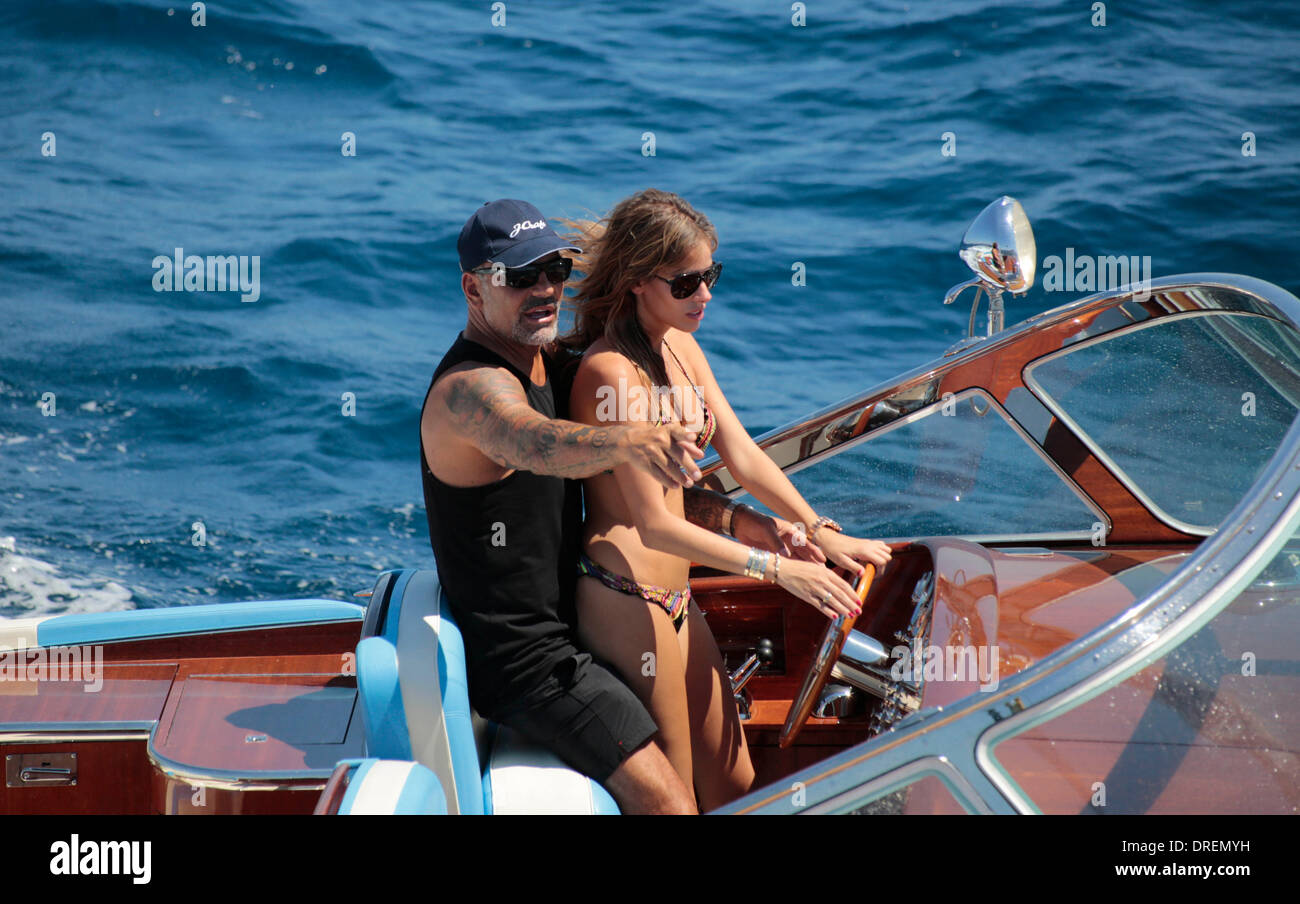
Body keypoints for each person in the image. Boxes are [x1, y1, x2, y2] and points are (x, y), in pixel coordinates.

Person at [419, 198, 797, 815]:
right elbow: (535, 442)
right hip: (527, 664)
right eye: (520, 277)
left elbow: (633, 494)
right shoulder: (469, 392)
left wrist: (754, 525)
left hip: (575, 623)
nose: (543, 289)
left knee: (738, 787)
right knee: (672, 804)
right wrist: (634, 436)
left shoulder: (555, 363)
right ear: (473, 288)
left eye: (555, 270)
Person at [560, 188, 893, 810]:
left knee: (734, 784)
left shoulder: (681, 346)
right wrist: (777, 570)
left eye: (710, 275)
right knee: (678, 798)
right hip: (626, 600)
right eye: (686, 282)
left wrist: (817, 530)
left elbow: (742, 455)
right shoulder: (610, 374)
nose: (705, 295)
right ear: (637, 281)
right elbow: (655, 525)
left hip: (677, 595)